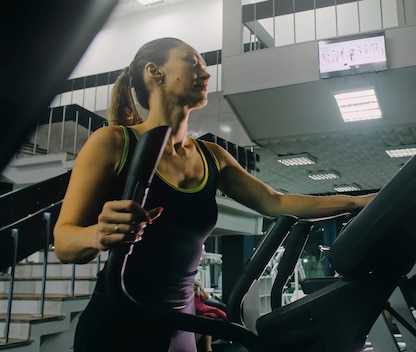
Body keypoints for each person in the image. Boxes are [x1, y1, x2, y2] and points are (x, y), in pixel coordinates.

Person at [53, 37, 375, 352]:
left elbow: (276, 202)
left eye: (206, 66)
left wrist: (357, 203)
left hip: (184, 323)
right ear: (155, 72)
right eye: (193, 63)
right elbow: (65, 241)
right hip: (120, 322)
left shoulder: (212, 156)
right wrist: (99, 235)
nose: (206, 75)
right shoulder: (113, 142)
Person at [193, 281, 224, 352]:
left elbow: (206, 297)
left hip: (203, 312)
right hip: (196, 315)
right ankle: (196, 346)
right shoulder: (190, 297)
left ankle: (208, 349)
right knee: (204, 326)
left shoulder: (198, 295)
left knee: (212, 317)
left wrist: (201, 289)